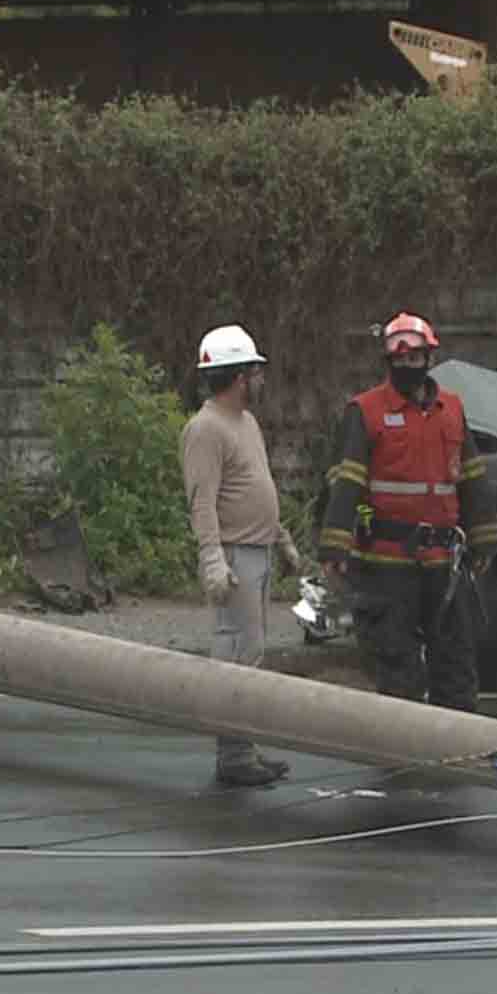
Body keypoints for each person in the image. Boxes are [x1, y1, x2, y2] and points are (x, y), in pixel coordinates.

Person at [317, 311, 497, 712]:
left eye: (414, 359)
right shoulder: (365, 411)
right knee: (397, 668)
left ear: (428, 358)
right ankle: (402, 760)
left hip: (443, 564)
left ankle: (458, 751)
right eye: (399, 360)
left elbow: (472, 477)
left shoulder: (452, 409)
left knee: (455, 663)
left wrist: (484, 539)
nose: (406, 366)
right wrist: (334, 548)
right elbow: (346, 482)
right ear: (388, 362)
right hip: (387, 566)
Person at [179, 323, 308, 787]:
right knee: (234, 652)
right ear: (238, 377)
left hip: (257, 549)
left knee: (251, 653)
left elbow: (256, 488)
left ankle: (243, 747)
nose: (261, 379)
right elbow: (203, 501)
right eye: (255, 371)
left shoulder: (246, 423)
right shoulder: (205, 429)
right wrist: (213, 559)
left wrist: (281, 538)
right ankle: (233, 757)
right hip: (234, 557)